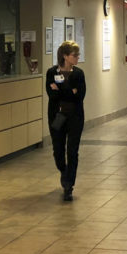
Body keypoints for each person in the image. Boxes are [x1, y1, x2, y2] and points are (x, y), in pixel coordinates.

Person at [46, 40, 86, 201]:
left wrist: (61, 88)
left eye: (78, 55)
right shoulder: (51, 72)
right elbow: (52, 95)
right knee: (58, 151)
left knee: (72, 151)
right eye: (74, 55)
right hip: (57, 117)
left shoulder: (78, 74)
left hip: (75, 117)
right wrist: (70, 90)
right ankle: (64, 171)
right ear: (65, 56)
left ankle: (69, 185)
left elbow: (80, 96)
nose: (77, 57)